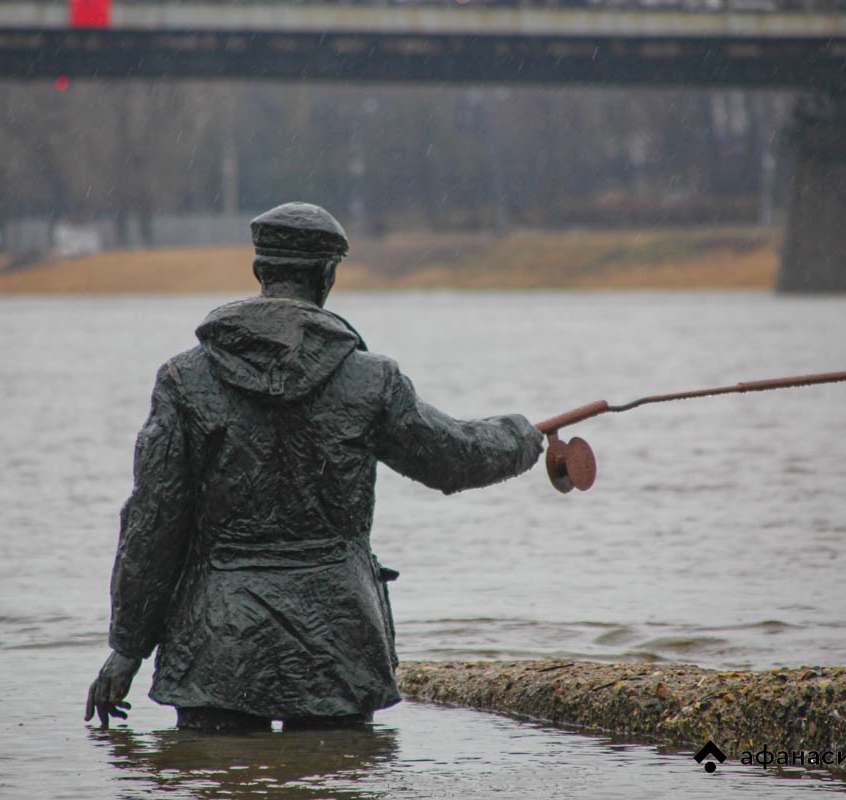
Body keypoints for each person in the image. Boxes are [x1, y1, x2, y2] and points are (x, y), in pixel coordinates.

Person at [85, 202, 543, 733]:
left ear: (259, 270)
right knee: (334, 781)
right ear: (327, 276)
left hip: (218, 646)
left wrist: (127, 648)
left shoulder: (184, 380)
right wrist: (521, 437)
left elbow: (152, 523)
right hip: (338, 645)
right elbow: (455, 459)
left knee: (215, 783)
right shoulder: (372, 382)